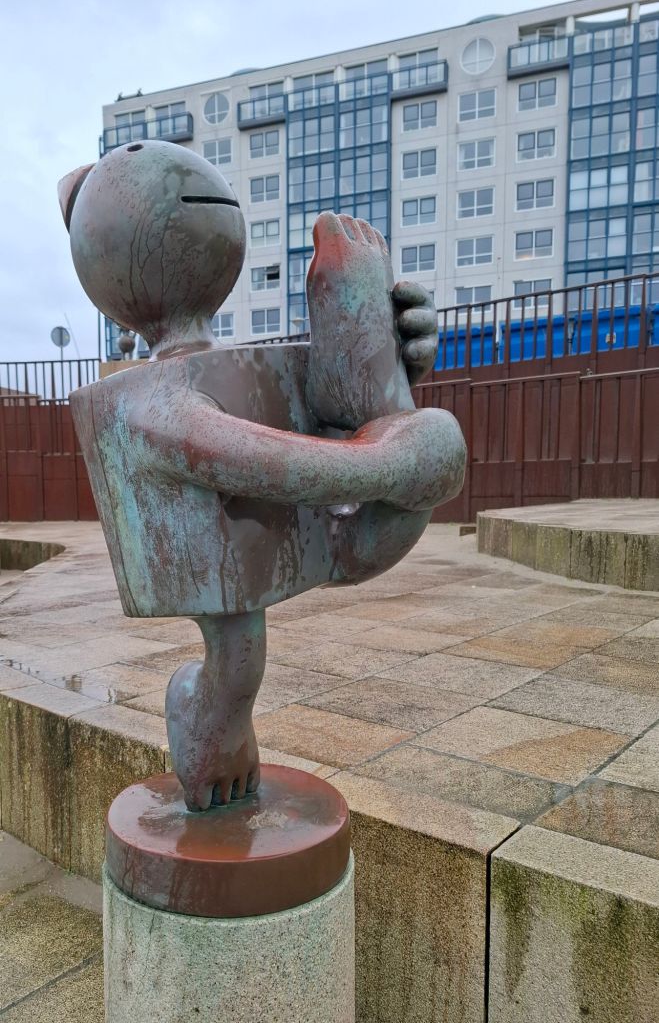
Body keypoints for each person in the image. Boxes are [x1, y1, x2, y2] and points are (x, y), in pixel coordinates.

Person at [60, 141, 465, 810]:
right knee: (238, 649)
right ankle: (210, 719)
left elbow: (310, 423)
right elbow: (252, 459)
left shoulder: (236, 374)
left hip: (324, 536)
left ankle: (379, 394)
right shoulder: (149, 403)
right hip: (238, 551)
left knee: (418, 443)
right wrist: (385, 462)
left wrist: (379, 358)